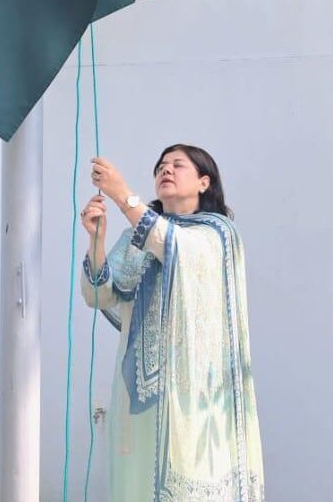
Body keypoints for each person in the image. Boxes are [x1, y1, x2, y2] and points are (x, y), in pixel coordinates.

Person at [79, 144, 265, 502]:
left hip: (197, 392)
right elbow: (100, 295)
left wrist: (121, 195)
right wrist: (97, 241)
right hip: (141, 394)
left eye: (178, 165)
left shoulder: (218, 235)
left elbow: (174, 245)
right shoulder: (140, 236)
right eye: (161, 165)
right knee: (138, 486)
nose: (166, 169)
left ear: (203, 182)